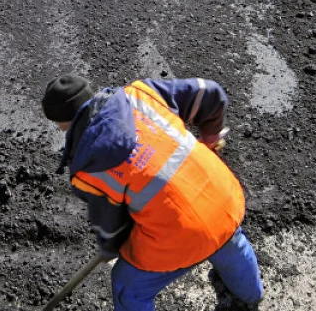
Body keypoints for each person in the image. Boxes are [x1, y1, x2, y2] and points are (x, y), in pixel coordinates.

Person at [42, 74, 264, 311]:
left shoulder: (87, 169)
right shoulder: (141, 94)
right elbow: (208, 93)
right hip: (223, 197)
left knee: (126, 284)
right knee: (230, 241)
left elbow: (111, 228)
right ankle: (251, 295)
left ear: (63, 124)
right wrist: (210, 139)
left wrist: (110, 247)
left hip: (180, 237)